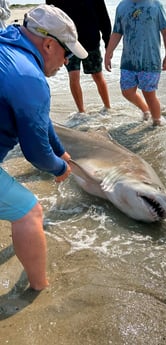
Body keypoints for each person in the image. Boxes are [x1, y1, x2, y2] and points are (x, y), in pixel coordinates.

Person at [0, 4, 88, 291]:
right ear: (48, 44)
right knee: (28, 211)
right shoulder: (30, 78)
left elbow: (36, 116)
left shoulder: (9, 47)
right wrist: (60, 167)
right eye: (66, 53)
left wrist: (60, 149)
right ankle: (39, 288)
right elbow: (36, 153)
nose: (65, 62)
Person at [105, 0, 166, 126]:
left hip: (150, 61)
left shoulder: (155, 5)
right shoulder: (122, 6)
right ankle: (145, 110)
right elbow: (117, 32)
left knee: (149, 94)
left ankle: (157, 123)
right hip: (128, 60)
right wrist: (108, 53)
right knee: (127, 91)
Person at [46, 0, 112, 114]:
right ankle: (81, 112)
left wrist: (108, 44)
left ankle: (108, 108)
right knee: (74, 76)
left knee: (97, 75)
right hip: (67, 43)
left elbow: (104, 18)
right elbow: (50, 18)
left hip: (91, 42)